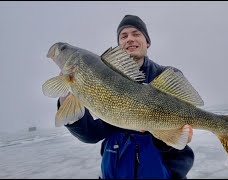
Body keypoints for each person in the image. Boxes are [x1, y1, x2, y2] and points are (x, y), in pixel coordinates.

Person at [57, 14, 195, 179]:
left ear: (147, 42)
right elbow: (91, 134)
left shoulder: (165, 75)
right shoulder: (100, 81)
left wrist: (170, 136)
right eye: (124, 36)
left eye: (136, 34)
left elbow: (180, 137)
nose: (130, 39)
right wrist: (65, 99)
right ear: (119, 46)